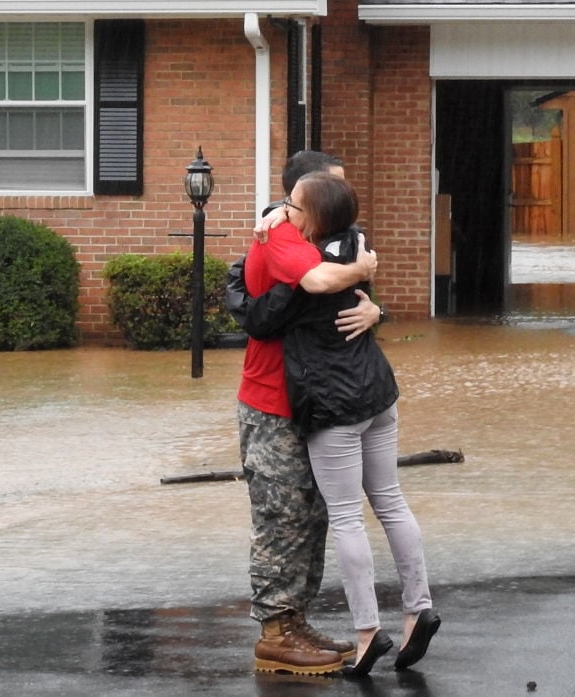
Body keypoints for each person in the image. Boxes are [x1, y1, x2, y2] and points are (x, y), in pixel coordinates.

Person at [251, 171, 440, 677]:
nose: (284, 210)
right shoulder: (360, 242)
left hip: (333, 402)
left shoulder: (311, 263)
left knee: (346, 517)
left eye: (292, 205)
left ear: (312, 217)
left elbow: (293, 293)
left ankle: (366, 632)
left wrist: (275, 233)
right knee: (392, 500)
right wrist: (368, 287)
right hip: (377, 392)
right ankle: (418, 609)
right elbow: (348, 272)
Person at [233, 151, 383, 676]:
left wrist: (374, 306)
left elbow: (344, 298)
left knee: (313, 515)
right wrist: (362, 267)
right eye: (329, 191)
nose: (343, 204)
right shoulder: (280, 237)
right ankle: (276, 632)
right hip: (271, 402)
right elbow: (320, 284)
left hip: (314, 399)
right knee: (281, 516)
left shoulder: (323, 239)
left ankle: (296, 620)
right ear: (297, 200)